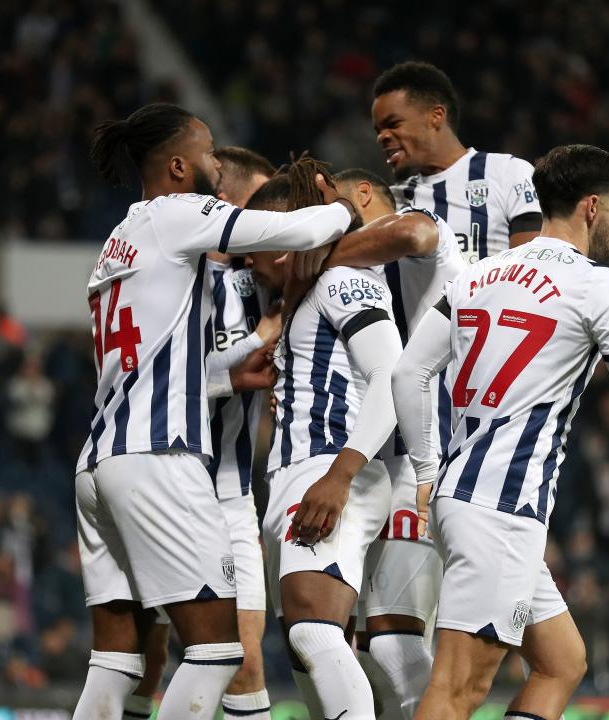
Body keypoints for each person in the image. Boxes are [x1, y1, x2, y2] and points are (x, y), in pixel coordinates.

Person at [391, 144, 609, 720]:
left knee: (562, 661)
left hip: (464, 496)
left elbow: (409, 372)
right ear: (591, 207)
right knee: (458, 689)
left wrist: (430, 471)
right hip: (502, 507)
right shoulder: (596, 285)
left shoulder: (481, 272)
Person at [71, 103, 356, 720]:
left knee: (115, 661)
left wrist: (232, 369)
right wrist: (344, 206)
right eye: (206, 153)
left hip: (99, 461)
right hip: (158, 458)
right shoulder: (178, 215)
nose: (215, 168)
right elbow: (300, 233)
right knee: (217, 650)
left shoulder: (119, 239)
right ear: (177, 166)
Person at [244, 159, 404, 720]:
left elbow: (394, 375)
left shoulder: (343, 280)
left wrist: (340, 475)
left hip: (330, 469)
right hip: (297, 477)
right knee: (309, 652)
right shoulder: (298, 300)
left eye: (256, 243)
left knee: (314, 633)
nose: (247, 259)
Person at [125, 145, 278, 720]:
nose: (272, 216)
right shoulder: (169, 280)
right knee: (147, 658)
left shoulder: (262, 279)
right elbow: (151, 377)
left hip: (231, 495)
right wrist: (246, 357)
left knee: (244, 661)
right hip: (162, 481)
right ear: (228, 205)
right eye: (261, 203)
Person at [324, 168, 466, 717]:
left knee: (393, 643)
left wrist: (322, 251)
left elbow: (412, 236)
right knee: (363, 647)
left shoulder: (426, 236)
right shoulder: (356, 283)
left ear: (362, 196)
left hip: (428, 458)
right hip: (385, 465)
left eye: (333, 208)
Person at [371, 61, 542, 266]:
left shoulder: (509, 173)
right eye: (378, 130)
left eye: (393, 124)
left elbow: (532, 268)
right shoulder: (388, 201)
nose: (382, 137)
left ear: (436, 116)